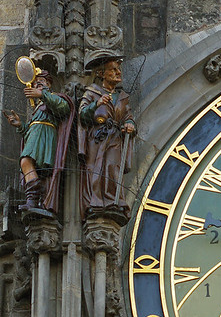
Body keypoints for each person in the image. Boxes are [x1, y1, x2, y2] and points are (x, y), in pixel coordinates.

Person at [3, 69, 73, 212]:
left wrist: (43, 94)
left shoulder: (54, 98)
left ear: (48, 84)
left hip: (45, 137)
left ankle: (34, 197)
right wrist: (20, 126)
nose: (37, 85)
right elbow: (30, 130)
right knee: (28, 164)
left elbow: (63, 109)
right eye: (35, 83)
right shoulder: (38, 108)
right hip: (36, 136)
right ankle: (34, 199)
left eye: (41, 82)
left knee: (26, 161)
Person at [78, 58, 135, 220]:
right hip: (96, 138)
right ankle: (94, 202)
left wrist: (130, 124)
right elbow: (82, 115)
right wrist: (96, 104)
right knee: (94, 168)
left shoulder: (122, 97)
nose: (118, 73)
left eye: (118, 69)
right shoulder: (91, 92)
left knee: (112, 167)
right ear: (101, 74)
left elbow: (128, 116)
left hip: (115, 137)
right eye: (114, 69)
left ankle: (113, 201)